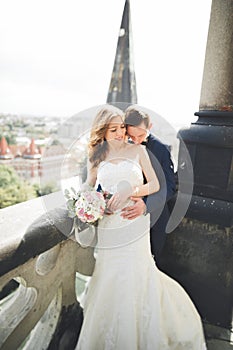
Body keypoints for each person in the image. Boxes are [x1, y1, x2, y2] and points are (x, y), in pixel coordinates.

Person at [75, 105, 206, 349]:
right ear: (102, 132)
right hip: (109, 227)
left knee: (135, 273)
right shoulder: (97, 156)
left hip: (134, 223)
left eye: (121, 128)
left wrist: (132, 191)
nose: (119, 133)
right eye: (113, 129)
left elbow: (156, 185)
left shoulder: (139, 151)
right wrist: (89, 204)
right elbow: (89, 186)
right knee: (109, 275)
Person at [122, 106, 176, 267]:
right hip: (126, 218)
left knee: (149, 265)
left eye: (140, 135)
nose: (136, 140)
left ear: (149, 127)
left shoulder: (161, 149)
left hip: (155, 217)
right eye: (132, 136)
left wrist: (145, 205)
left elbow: (170, 187)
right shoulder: (123, 147)